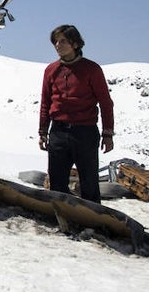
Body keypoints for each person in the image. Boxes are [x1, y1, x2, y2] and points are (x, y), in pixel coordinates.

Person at [38, 24, 115, 203]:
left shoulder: (91, 69)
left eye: (63, 41)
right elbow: (46, 102)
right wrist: (43, 132)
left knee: (89, 183)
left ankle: (94, 225)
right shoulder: (51, 70)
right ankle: (62, 223)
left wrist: (108, 133)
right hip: (58, 132)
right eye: (55, 41)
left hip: (85, 132)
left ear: (75, 43)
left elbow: (105, 103)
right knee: (57, 182)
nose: (58, 45)